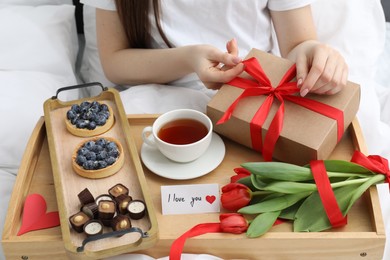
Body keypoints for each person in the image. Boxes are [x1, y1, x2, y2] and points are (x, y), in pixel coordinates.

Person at [81, 0, 348, 101]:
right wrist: (189, 58)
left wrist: (316, 53)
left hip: (252, 98)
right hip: (153, 101)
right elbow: (115, 62)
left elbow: (297, 44)